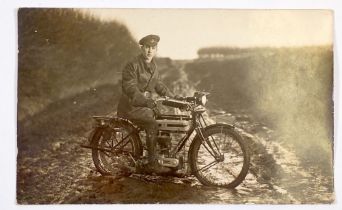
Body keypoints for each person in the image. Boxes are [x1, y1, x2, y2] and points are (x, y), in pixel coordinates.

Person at [117, 34, 175, 174]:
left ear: (156, 50)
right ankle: (152, 163)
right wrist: (145, 101)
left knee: (165, 119)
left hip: (143, 106)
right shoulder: (132, 65)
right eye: (147, 47)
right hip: (131, 107)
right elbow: (131, 88)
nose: (149, 51)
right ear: (142, 48)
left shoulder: (154, 66)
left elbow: (159, 85)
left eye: (153, 48)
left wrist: (175, 99)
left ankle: (165, 157)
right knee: (152, 124)